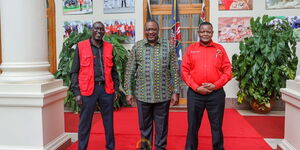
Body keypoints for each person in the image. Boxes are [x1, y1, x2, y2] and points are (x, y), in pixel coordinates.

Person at [124, 20, 180, 150]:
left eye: (153, 29)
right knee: (144, 127)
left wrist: (176, 91)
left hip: (163, 95)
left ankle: (160, 148)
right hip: (143, 95)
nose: (151, 32)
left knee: (162, 127)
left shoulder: (168, 46)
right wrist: (129, 92)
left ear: (158, 30)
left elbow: (174, 70)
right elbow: (129, 71)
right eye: (148, 29)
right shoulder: (137, 47)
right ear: (145, 31)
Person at [182, 22, 232, 150]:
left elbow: (228, 72)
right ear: (198, 33)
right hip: (195, 94)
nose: (205, 34)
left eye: (208, 31)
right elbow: (184, 71)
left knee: (216, 126)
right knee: (192, 126)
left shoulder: (219, 49)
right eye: (202, 31)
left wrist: (215, 85)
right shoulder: (191, 49)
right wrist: (196, 87)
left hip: (216, 94)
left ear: (212, 33)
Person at [71, 21, 119, 150]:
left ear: (104, 32)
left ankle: (110, 147)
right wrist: (77, 93)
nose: (99, 31)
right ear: (92, 30)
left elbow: (114, 71)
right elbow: (74, 71)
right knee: (84, 123)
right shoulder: (81, 47)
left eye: (101, 29)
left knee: (109, 123)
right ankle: (82, 148)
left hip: (106, 89)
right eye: (96, 28)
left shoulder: (109, 47)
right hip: (87, 91)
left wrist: (115, 90)